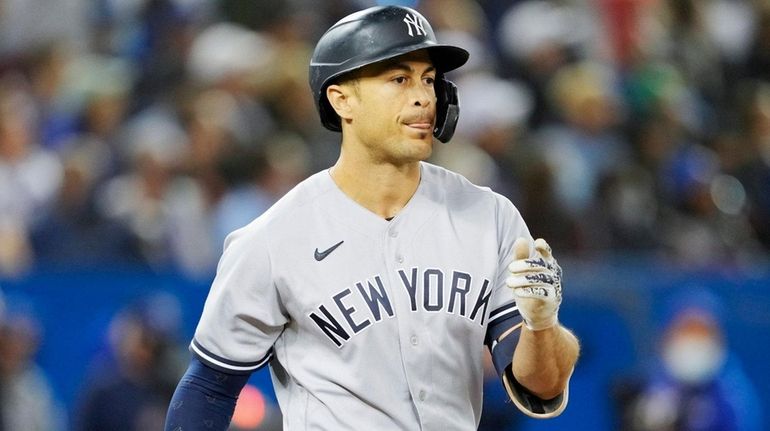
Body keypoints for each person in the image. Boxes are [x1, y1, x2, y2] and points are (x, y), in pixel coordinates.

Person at [165, 5, 579, 430]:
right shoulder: (275, 238)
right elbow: (209, 388)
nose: (423, 97)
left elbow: (542, 385)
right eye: (399, 79)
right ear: (341, 98)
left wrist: (542, 326)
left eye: (429, 80)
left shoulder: (489, 216)